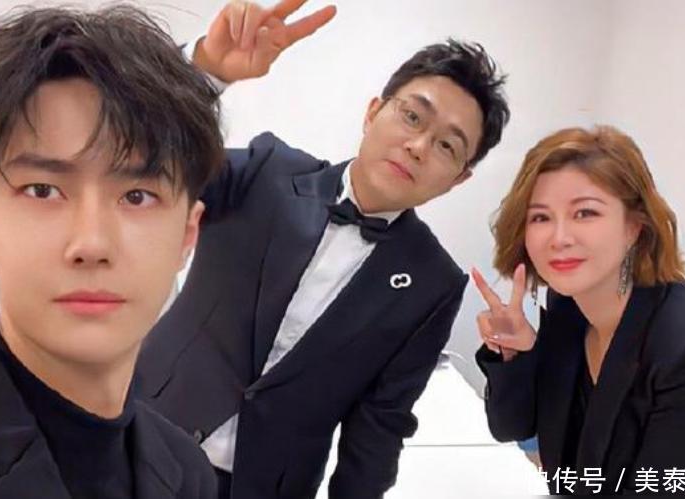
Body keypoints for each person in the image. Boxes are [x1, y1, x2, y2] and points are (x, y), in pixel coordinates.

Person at [136, 1, 511, 498]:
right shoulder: (268, 170)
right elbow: (150, 163)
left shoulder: (433, 284)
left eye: (447, 146)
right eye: (412, 116)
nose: (419, 146)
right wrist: (205, 74)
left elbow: (379, 429)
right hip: (140, 439)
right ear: (373, 112)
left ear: (458, 179)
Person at [0, 5, 223, 498]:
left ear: (187, 235)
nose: (91, 244)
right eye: (43, 191)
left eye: (137, 196)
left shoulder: (185, 473)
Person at [473, 125, 685, 494]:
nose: (559, 237)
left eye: (585, 213)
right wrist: (516, 356)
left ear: (634, 226)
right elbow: (513, 427)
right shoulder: (569, 309)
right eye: (540, 217)